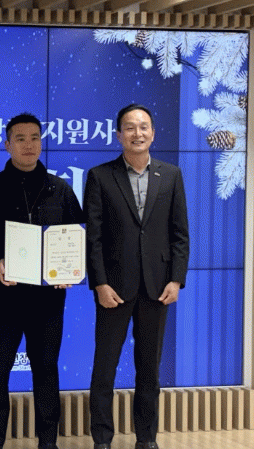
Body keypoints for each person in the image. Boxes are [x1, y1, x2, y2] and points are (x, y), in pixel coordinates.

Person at [0, 113, 84, 449]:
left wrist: (70, 269)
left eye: (35, 137)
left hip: (48, 301)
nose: (29, 145)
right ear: (7, 145)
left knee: (46, 370)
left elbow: (77, 237)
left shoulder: (59, 189)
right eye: (20, 138)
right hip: (4, 299)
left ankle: (48, 443)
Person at [84, 104, 189, 449]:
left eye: (143, 127)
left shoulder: (170, 175)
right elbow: (93, 237)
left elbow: (180, 234)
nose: (137, 133)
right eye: (130, 128)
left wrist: (176, 279)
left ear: (153, 133)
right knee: (104, 370)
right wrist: (100, 283)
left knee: (149, 371)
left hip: (158, 288)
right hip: (113, 288)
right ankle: (102, 439)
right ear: (119, 135)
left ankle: (146, 439)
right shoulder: (100, 176)